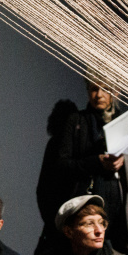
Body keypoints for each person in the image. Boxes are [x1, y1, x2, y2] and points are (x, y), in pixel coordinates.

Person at [47, 79, 128, 255]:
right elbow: (61, 166)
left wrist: (125, 161)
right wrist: (96, 162)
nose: (99, 95)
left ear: (117, 91)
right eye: (93, 89)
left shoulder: (125, 123)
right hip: (89, 204)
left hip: (123, 208)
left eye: (106, 89)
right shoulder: (76, 121)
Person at [36, 99, 80, 231]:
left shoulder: (54, 144)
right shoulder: (58, 145)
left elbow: (42, 190)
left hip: (56, 219)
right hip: (62, 218)